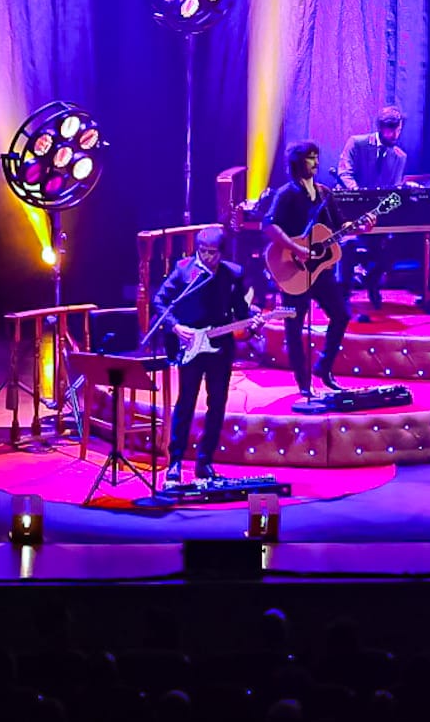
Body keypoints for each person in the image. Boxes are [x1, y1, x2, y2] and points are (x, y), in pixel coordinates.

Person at [151, 226, 260, 484]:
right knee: (185, 402)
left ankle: (205, 461)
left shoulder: (232, 274)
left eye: (212, 253)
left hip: (220, 347)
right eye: (202, 252)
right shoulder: (184, 269)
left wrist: (253, 325)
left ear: (221, 252)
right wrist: (176, 327)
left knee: (217, 403)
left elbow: (241, 314)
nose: (207, 258)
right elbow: (160, 301)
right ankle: (175, 461)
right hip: (190, 344)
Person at [266, 141, 366, 398]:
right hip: (293, 271)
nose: (316, 162)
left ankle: (323, 366)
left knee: (342, 314)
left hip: (321, 273)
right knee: (294, 327)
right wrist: (296, 248)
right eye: (310, 158)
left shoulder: (325, 193)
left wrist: (358, 227)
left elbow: (337, 225)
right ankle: (303, 381)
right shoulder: (286, 194)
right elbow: (269, 225)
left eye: (316, 157)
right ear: (298, 163)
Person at [336, 106, 408, 313]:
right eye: (390, 130)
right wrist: (359, 196)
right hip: (349, 212)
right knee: (348, 244)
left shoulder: (400, 157)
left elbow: (393, 190)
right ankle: (344, 294)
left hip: (378, 215)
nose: (394, 135)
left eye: (397, 130)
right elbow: (345, 172)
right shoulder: (357, 143)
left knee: (397, 242)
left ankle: (372, 279)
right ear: (380, 127)